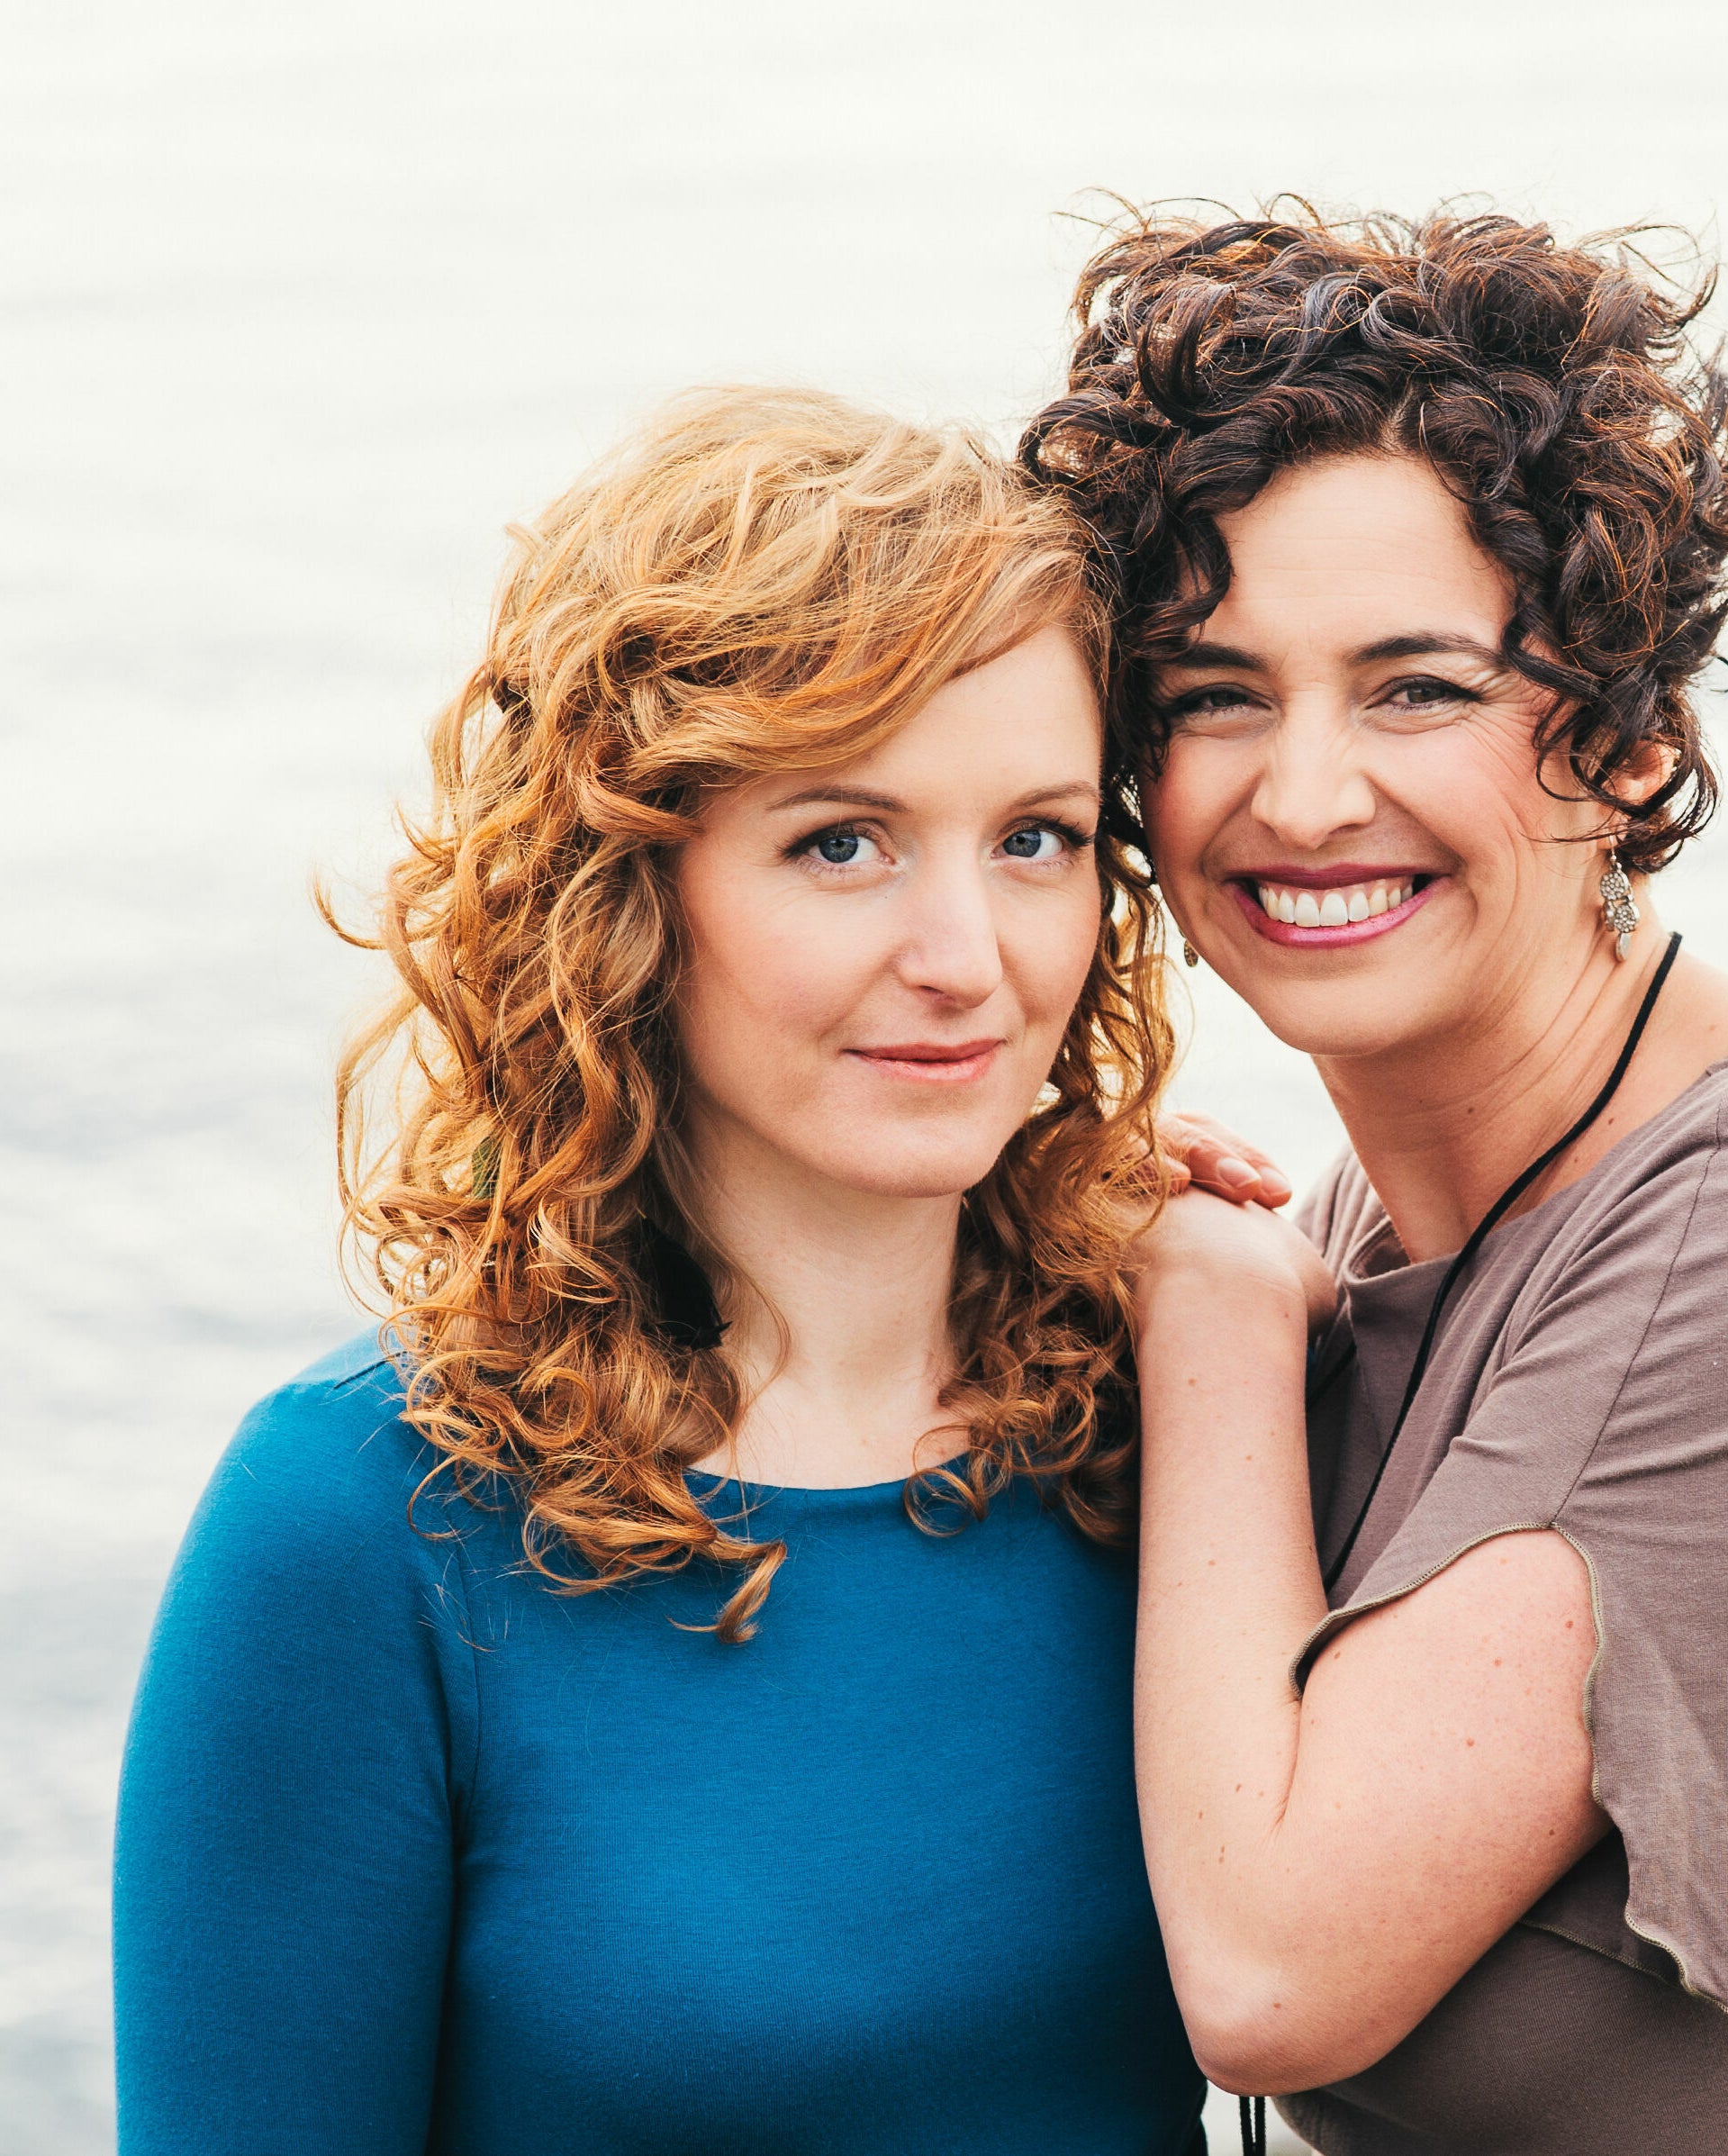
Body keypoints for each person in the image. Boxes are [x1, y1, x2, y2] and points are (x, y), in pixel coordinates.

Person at [1026, 210, 1728, 2154]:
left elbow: (1275, 1973)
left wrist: (1205, 1313)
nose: (1302, 794)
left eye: (1417, 688)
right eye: (1215, 695)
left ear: (1633, 744)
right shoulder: (1378, 1234)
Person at [111, 389, 1216, 2152]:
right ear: (626, 889)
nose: (968, 956)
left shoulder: (1183, 1420)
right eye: (842, 842)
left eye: (1036, 838)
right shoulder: (363, 1525)